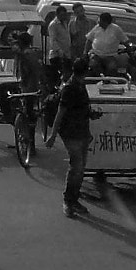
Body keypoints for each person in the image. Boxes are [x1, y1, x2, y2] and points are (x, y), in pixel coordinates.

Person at [47, 59, 102, 218]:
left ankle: (73, 200)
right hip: (71, 133)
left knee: (80, 167)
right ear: (84, 72)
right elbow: (60, 112)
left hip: (82, 131)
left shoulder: (80, 85)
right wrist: (53, 135)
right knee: (76, 167)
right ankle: (68, 201)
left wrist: (92, 115)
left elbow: (83, 108)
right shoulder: (70, 89)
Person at [87, 11, 124, 76]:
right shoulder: (97, 27)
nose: (98, 21)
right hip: (97, 55)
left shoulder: (116, 29)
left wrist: (130, 53)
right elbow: (89, 39)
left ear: (105, 22)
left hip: (110, 56)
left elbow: (125, 40)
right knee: (92, 65)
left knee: (112, 67)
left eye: (100, 20)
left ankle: (109, 82)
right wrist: (85, 53)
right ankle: (96, 81)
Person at [46, 5, 73, 80]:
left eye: (64, 15)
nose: (63, 16)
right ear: (57, 15)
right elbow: (53, 40)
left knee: (67, 74)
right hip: (57, 55)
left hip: (66, 54)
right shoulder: (53, 25)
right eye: (61, 15)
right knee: (59, 76)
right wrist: (59, 51)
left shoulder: (64, 22)